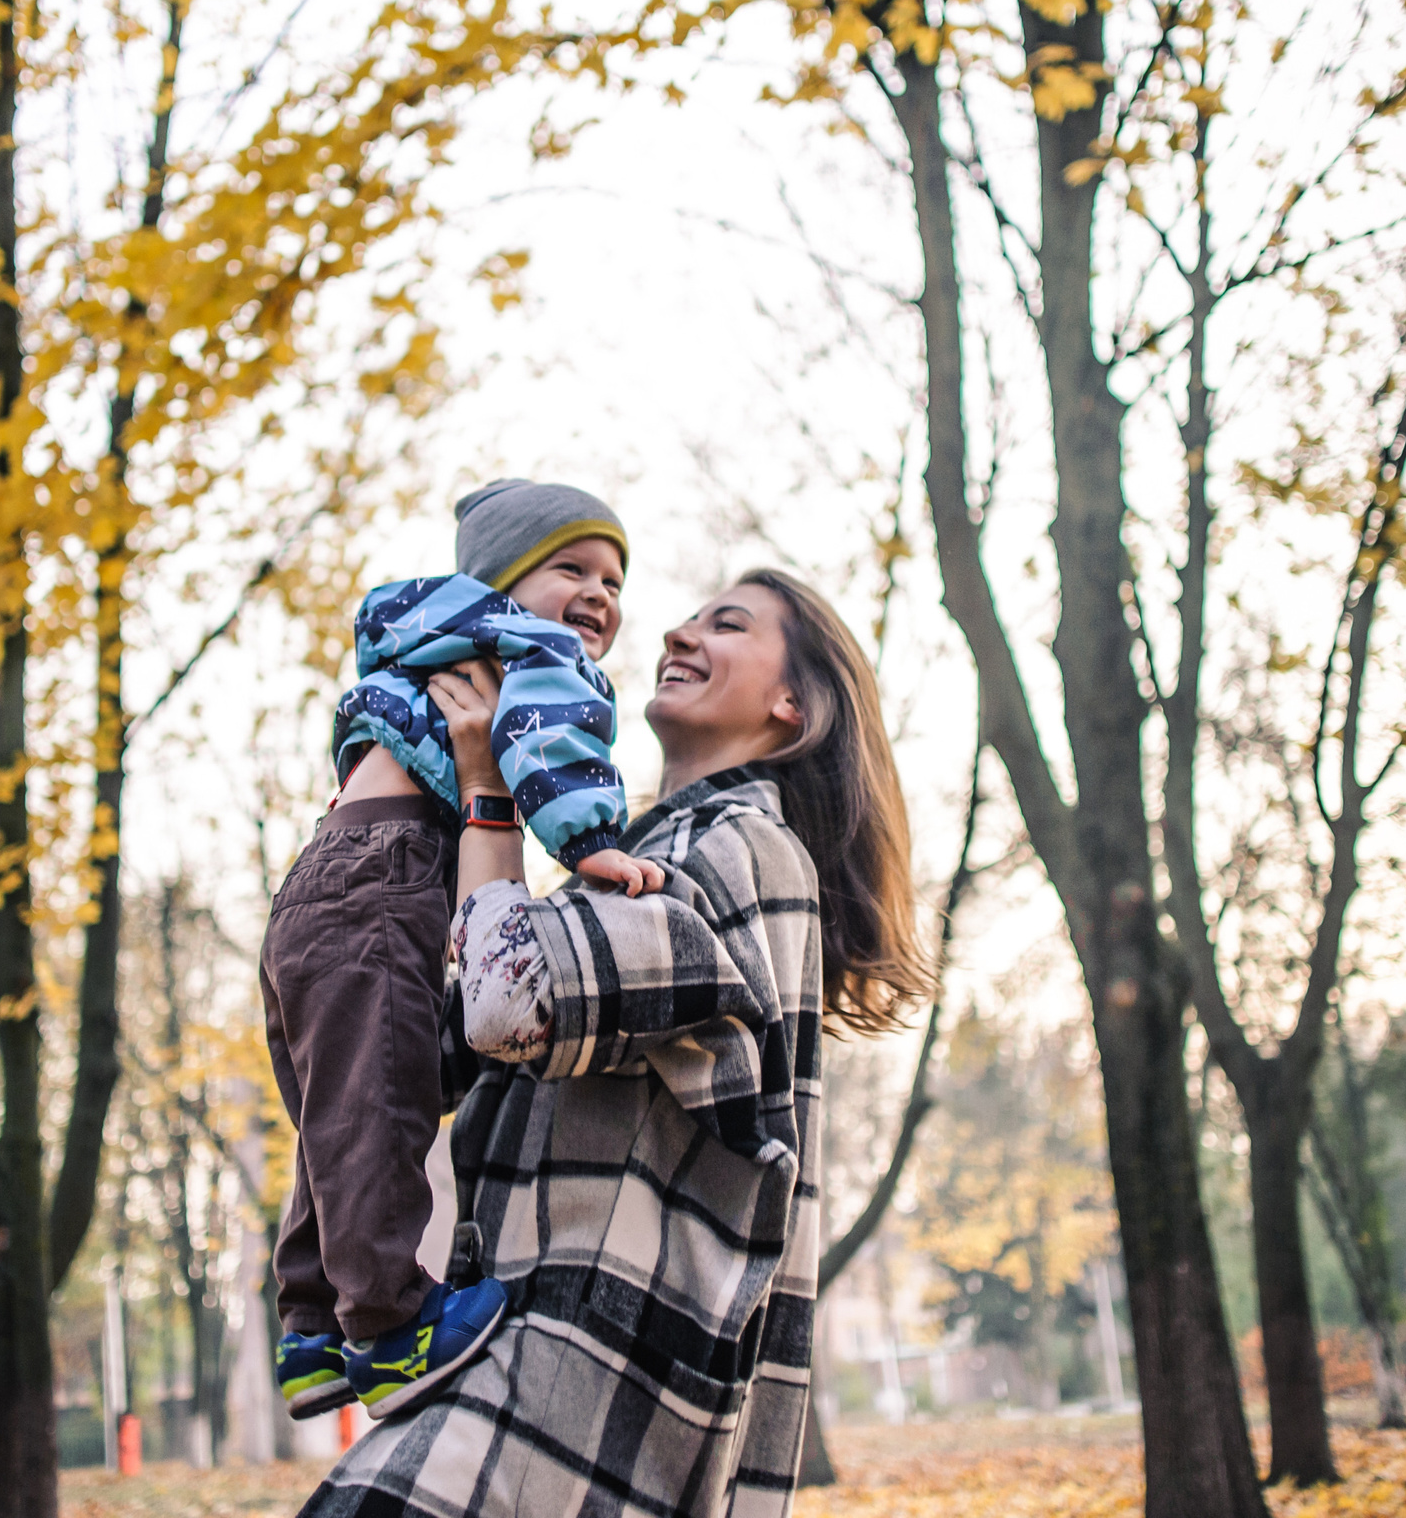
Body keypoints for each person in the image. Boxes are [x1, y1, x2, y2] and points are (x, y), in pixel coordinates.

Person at [299, 568, 936, 1518]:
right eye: (687, 615)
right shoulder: (636, 864)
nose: (679, 633)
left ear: (791, 706)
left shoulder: (744, 849)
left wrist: (487, 794)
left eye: (725, 625)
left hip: (574, 1396)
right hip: (524, 1379)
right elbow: (427, 1054)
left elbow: (508, 998)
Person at [264, 480, 665, 1427]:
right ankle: (392, 1326)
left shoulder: (418, 644)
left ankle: (312, 1330)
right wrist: (588, 838)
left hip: (321, 879)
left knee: (340, 1108)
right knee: (381, 1109)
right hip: (384, 875)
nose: (599, 595)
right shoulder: (531, 648)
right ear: (500, 581)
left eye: (613, 578)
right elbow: (548, 738)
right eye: (572, 568)